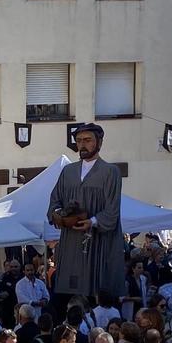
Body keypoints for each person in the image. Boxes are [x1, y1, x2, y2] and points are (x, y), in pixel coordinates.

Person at [48, 123, 126, 308]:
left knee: (96, 287)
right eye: (79, 140)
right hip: (72, 240)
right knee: (69, 289)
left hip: (98, 240)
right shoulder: (68, 171)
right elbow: (54, 200)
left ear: (99, 142)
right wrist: (59, 215)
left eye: (87, 140)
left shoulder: (110, 172)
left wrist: (91, 221)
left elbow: (112, 209)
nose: (82, 144)